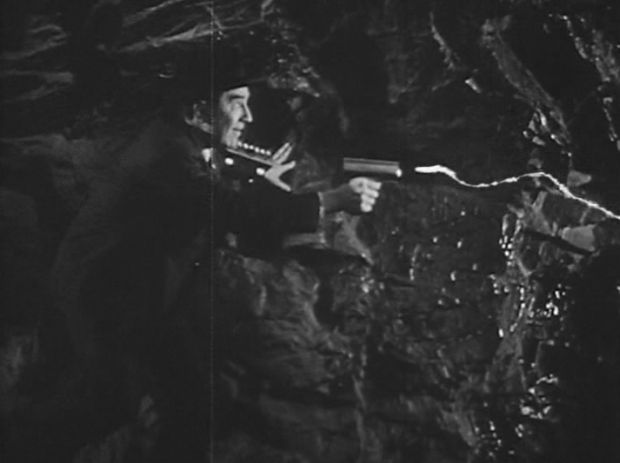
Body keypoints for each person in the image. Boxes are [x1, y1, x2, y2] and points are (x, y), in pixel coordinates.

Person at [51, 40, 381, 461]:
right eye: (236, 102)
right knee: (106, 409)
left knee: (189, 403)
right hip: (105, 306)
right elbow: (226, 208)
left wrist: (263, 186)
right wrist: (331, 200)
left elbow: (211, 202)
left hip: (135, 297)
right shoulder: (167, 156)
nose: (247, 115)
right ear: (199, 107)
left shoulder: (177, 140)